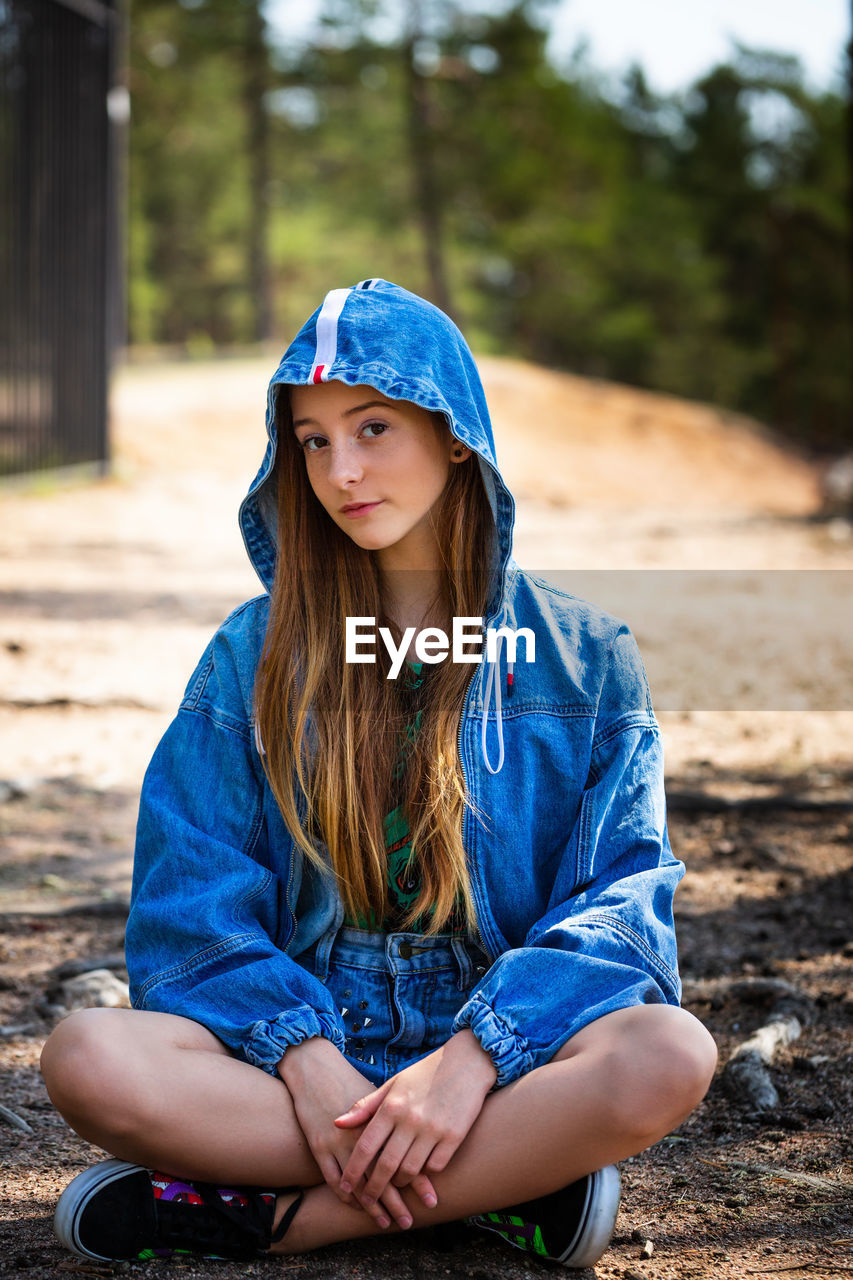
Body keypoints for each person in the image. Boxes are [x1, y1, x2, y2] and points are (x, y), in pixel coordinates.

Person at [40, 279, 717, 1268]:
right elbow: (190, 905)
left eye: (371, 428)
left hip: (502, 1064)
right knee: (87, 1056)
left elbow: (621, 906)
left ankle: (264, 1217)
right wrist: (302, 1055)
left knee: (669, 1052)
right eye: (312, 440)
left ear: (454, 436)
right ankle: (506, 1186)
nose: (341, 469)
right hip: (293, 1065)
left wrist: (472, 1059)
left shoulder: (585, 657)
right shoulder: (251, 653)